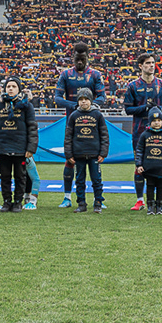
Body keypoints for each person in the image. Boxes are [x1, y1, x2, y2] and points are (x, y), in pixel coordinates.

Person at [52, 44, 109, 209]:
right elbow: (57, 98)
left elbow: (102, 97)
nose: (79, 62)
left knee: (94, 162)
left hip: (91, 122)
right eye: (77, 58)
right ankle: (67, 197)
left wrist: (90, 107)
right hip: (72, 121)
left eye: (82, 59)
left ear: (87, 57)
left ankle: (98, 199)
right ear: (73, 57)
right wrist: (75, 106)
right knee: (70, 160)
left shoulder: (95, 74)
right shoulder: (65, 74)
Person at [122, 52, 162, 211]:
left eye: (153, 63)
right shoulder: (133, 86)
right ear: (140, 66)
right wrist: (145, 108)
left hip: (160, 132)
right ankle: (140, 200)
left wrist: (158, 109)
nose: (151, 66)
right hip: (140, 132)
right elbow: (128, 109)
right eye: (148, 63)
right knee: (139, 165)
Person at [0, 77, 38, 212]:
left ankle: (17, 202)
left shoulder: (27, 105)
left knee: (20, 176)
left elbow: (32, 128)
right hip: (3, 147)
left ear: (19, 89)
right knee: (4, 176)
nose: (10, 89)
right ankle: (6, 202)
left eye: (14, 86)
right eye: (8, 86)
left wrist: (31, 148)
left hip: (20, 148)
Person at [65, 88, 109, 213]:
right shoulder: (73, 115)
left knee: (96, 180)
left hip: (94, 154)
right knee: (79, 180)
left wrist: (103, 153)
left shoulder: (98, 115)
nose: (83, 102)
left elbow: (104, 135)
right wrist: (69, 154)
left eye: (86, 99)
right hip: (78, 154)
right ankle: (81, 204)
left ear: (91, 100)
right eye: (81, 99)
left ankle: (98, 202)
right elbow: (68, 136)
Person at [134, 108, 162, 215]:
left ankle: (159, 207)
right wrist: (139, 164)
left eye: (159, 120)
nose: (156, 123)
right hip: (149, 167)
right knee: (150, 186)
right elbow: (139, 150)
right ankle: (150, 207)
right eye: (154, 121)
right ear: (149, 122)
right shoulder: (144, 135)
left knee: (161, 187)